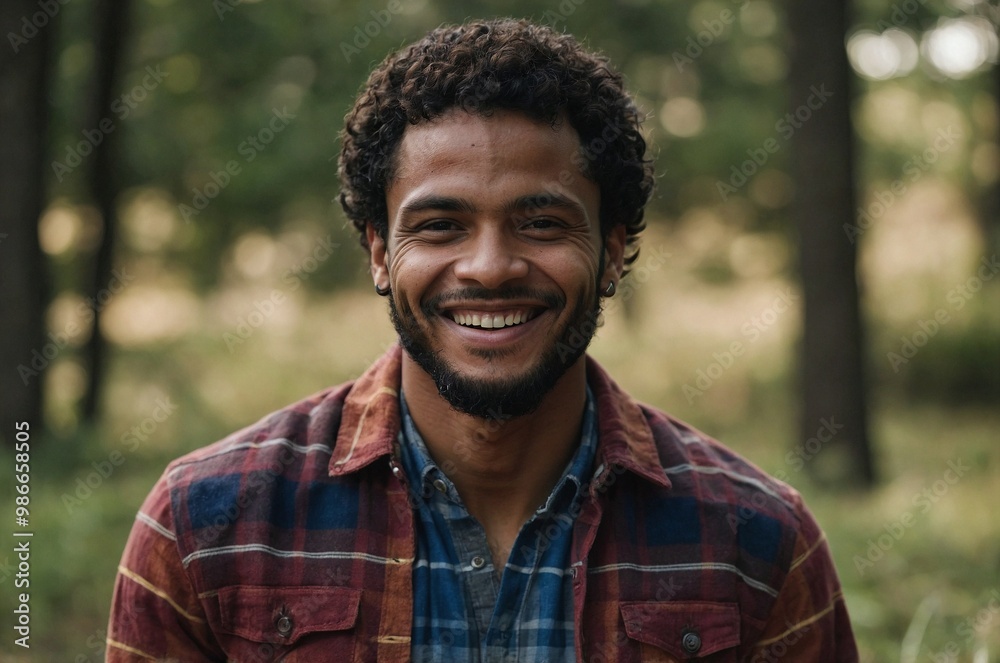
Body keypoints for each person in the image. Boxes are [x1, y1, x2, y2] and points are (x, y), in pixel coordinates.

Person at [107, 18, 859, 662]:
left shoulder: (758, 544)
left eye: (542, 222)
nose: (491, 266)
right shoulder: (204, 527)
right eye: (440, 226)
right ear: (377, 251)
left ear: (612, 250)